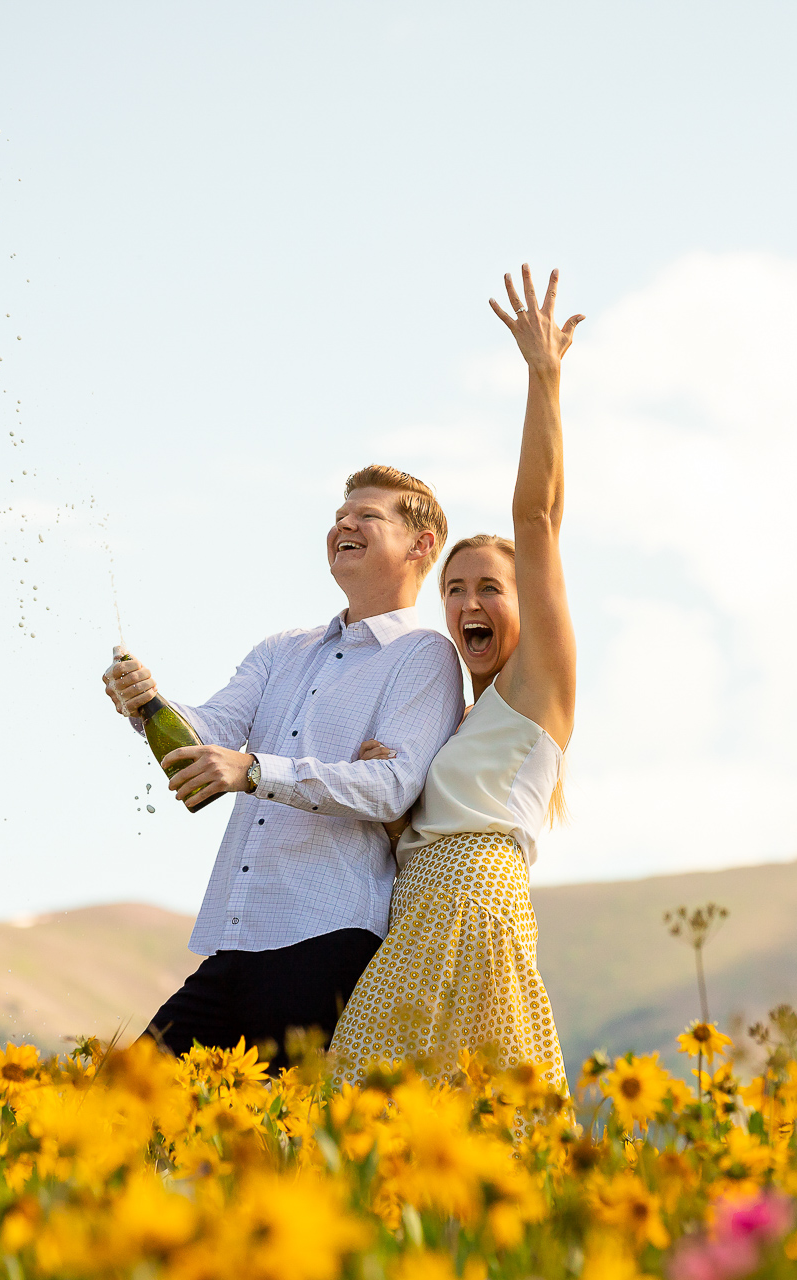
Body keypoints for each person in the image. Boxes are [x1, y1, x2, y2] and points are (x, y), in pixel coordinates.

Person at [101, 466, 465, 1067]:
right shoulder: (281, 649)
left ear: (421, 545)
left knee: (277, 1144)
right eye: (339, 516)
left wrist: (253, 771)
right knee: (120, 1106)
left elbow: (392, 787)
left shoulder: (425, 656)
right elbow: (207, 734)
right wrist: (147, 704)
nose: (343, 524)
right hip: (237, 938)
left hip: (328, 942)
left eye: (368, 516)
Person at [330, 264, 583, 1090]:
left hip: (475, 909)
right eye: (455, 588)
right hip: (419, 914)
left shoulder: (537, 686)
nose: (469, 601)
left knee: (443, 1116)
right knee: (381, 1119)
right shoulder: (457, 718)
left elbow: (536, 519)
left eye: (491, 588)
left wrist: (543, 376)